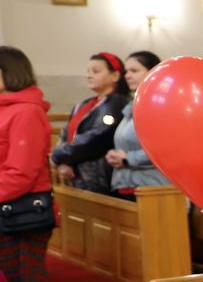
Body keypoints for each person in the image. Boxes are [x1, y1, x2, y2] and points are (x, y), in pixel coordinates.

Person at [0, 47, 60, 282]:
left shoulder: (25, 112)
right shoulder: (7, 108)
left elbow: (22, 172)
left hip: (25, 213)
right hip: (8, 209)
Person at [52, 53, 131, 196]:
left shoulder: (116, 104)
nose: (89, 75)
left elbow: (97, 138)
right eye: (88, 71)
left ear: (115, 76)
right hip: (79, 175)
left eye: (96, 71)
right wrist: (65, 162)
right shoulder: (85, 104)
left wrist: (59, 155)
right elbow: (66, 133)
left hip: (100, 177)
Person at [105, 51, 172, 198]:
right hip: (128, 185)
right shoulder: (134, 106)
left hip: (154, 189)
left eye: (134, 71)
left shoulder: (163, 106)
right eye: (126, 71)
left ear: (152, 73)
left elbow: (165, 148)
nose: (127, 75)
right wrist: (115, 155)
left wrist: (128, 158)